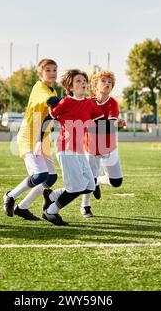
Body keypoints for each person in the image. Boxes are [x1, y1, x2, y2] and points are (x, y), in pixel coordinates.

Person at [42, 69, 104, 226]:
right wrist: (39, 141)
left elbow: (102, 122)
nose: (83, 83)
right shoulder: (65, 102)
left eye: (84, 81)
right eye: (78, 81)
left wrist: (117, 123)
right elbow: (49, 117)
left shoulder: (89, 103)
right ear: (70, 87)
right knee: (76, 187)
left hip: (79, 151)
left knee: (89, 185)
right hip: (65, 148)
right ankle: (51, 212)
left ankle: (52, 196)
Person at [3, 59, 59, 220]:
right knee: (40, 175)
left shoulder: (52, 91)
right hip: (29, 137)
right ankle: (10, 196)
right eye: (48, 70)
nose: (52, 73)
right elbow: (51, 102)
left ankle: (23, 207)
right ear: (40, 73)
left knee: (51, 177)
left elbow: (49, 116)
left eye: (54, 70)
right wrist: (70, 100)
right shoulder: (39, 88)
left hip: (43, 139)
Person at [81, 71, 124, 218]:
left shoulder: (113, 103)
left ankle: (98, 181)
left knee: (116, 182)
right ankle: (85, 206)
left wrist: (112, 124)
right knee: (88, 180)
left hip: (108, 147)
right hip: (91, 147)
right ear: (95, 85)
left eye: (110, 82)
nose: (107, 84)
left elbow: (109, 127)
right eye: (103, 81)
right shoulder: (87, 102)